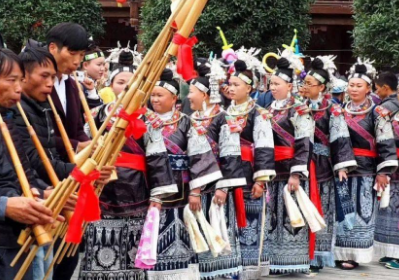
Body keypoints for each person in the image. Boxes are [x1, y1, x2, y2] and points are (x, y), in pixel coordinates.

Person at [16, 46, 113, 280]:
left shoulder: (44, 104)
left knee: (61, 263)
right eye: (45, 76)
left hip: (51, 194)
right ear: (23, 77)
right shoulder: (17, 112)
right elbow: (32, 160)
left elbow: (50, 154)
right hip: (34, 201)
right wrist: (78, 173)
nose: (50, 83)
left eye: (53, 77)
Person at [145, 68, 223, 279]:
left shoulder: (187, 122)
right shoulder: (145, 122)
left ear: (174, 98)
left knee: (183, 232)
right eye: (152, 95)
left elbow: (199, 158)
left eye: (159, 95)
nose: (155, 99)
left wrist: (196, 191)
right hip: (152, 188)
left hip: (181, 187)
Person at [0, 47, 58, 280]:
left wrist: (43, 195)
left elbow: (16, 174)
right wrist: (5, 206)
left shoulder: (7, 118)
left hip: (15, 240)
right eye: (11, 80)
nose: (18, 88)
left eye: (20, 80)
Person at [335, 59, 398, 270]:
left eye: (358, 85)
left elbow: (386, 142)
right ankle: (340, 252)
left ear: (368, 88)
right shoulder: (340, 111)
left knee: (363, 211)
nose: (354, 89)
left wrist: (384, 171)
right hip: (342, 168)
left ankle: (356, 254)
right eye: (351, 85)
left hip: (367, 169)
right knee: (342, 210)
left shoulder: (377, 113)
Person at [187, 59, 246, 279]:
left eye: (191, 91)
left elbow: (231, 154)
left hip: (217, 186)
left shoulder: (224, 118)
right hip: (197, 186)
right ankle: (204, 272)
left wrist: (223, 188)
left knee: (220, 225)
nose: (188, 96)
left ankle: (225, 271)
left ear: (204, 94)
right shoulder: (191, 118)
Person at [303, 56, 357, 272]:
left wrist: (342, 165)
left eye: (309, 84)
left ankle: (317, 257)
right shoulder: (298, 106)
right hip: (300, 165)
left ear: (322, 87)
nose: (304, 87)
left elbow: (341, 138)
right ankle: (297, 255)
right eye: (303, 83)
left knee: (321, 209)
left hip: (322, 167)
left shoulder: (333, 110)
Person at [226, 59, 276, 278]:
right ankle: (231, 265)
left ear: (249, 88)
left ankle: (249, 268)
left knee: (251, 220)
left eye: (237, 84)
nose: (231, 88)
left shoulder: (259, 113)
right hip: (228, 174)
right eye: (230, 84)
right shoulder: (223, 112)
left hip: (249, 173)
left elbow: (265, 147)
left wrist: (261, 179)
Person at [265, 55, 313, 274]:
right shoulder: (267, 107)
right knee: (272, 215)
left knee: (290, 214)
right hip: (271, 170)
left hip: (290, 168)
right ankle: (271, 260)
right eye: (271, 84)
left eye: (277, 84)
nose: (273, 87)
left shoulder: (299, 108)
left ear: (289, 85)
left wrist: (296, 173)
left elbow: (304, 142)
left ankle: (292, 262)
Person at [46, 22, 91, 160]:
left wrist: (90, 145)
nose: (77, 61)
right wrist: (77, 145)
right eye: (72, 53)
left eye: (82, 55)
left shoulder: (72, 85)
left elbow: (77, 129)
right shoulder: (38, 84)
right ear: (52, 48)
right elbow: (40, 133)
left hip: (70, 164)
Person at [373, 71, 399, 269]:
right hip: (394, 162)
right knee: (391, 210)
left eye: (377, 87)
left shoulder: (385, 108)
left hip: (393, 161)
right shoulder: (390, 107)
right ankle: (391, 253)